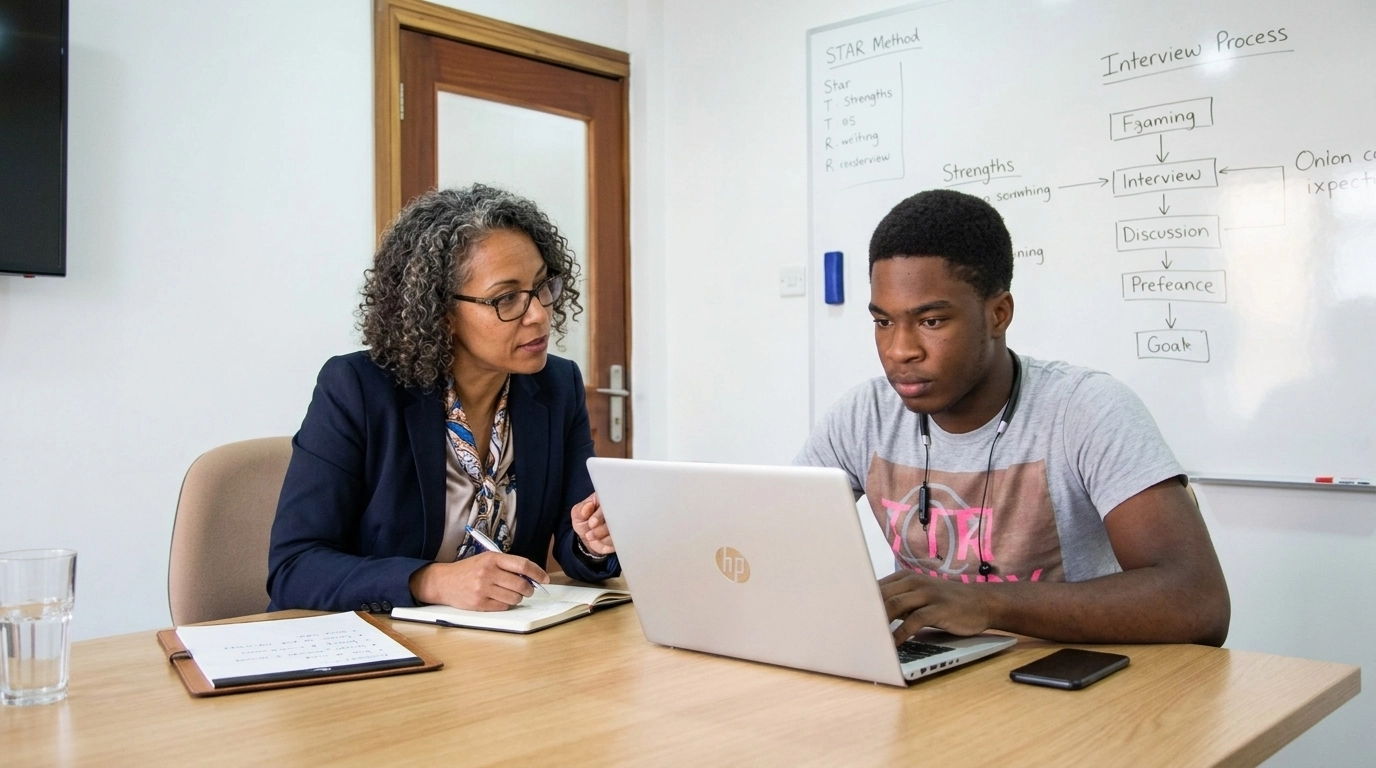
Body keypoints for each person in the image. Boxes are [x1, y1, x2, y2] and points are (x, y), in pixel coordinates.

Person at [795, 189, 1230, 646]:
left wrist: (988, 604)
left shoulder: (1085, 409)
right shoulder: (864, 416)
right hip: (932, 669)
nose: (900, 350)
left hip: (1064, 674)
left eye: (931, 321)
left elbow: (1198, 602)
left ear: (998, 314)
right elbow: (776, 543)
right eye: (883, 322)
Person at [268, 185, 617, 614]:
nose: (539, 314)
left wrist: (593, 542)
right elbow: (295, 567)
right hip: (373, 638)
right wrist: (432, 581)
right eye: (507, 298)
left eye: (542, 286)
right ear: (442, 313)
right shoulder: (357, 389)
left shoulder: (557, 387)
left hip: (498, 640)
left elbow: (575, 537)